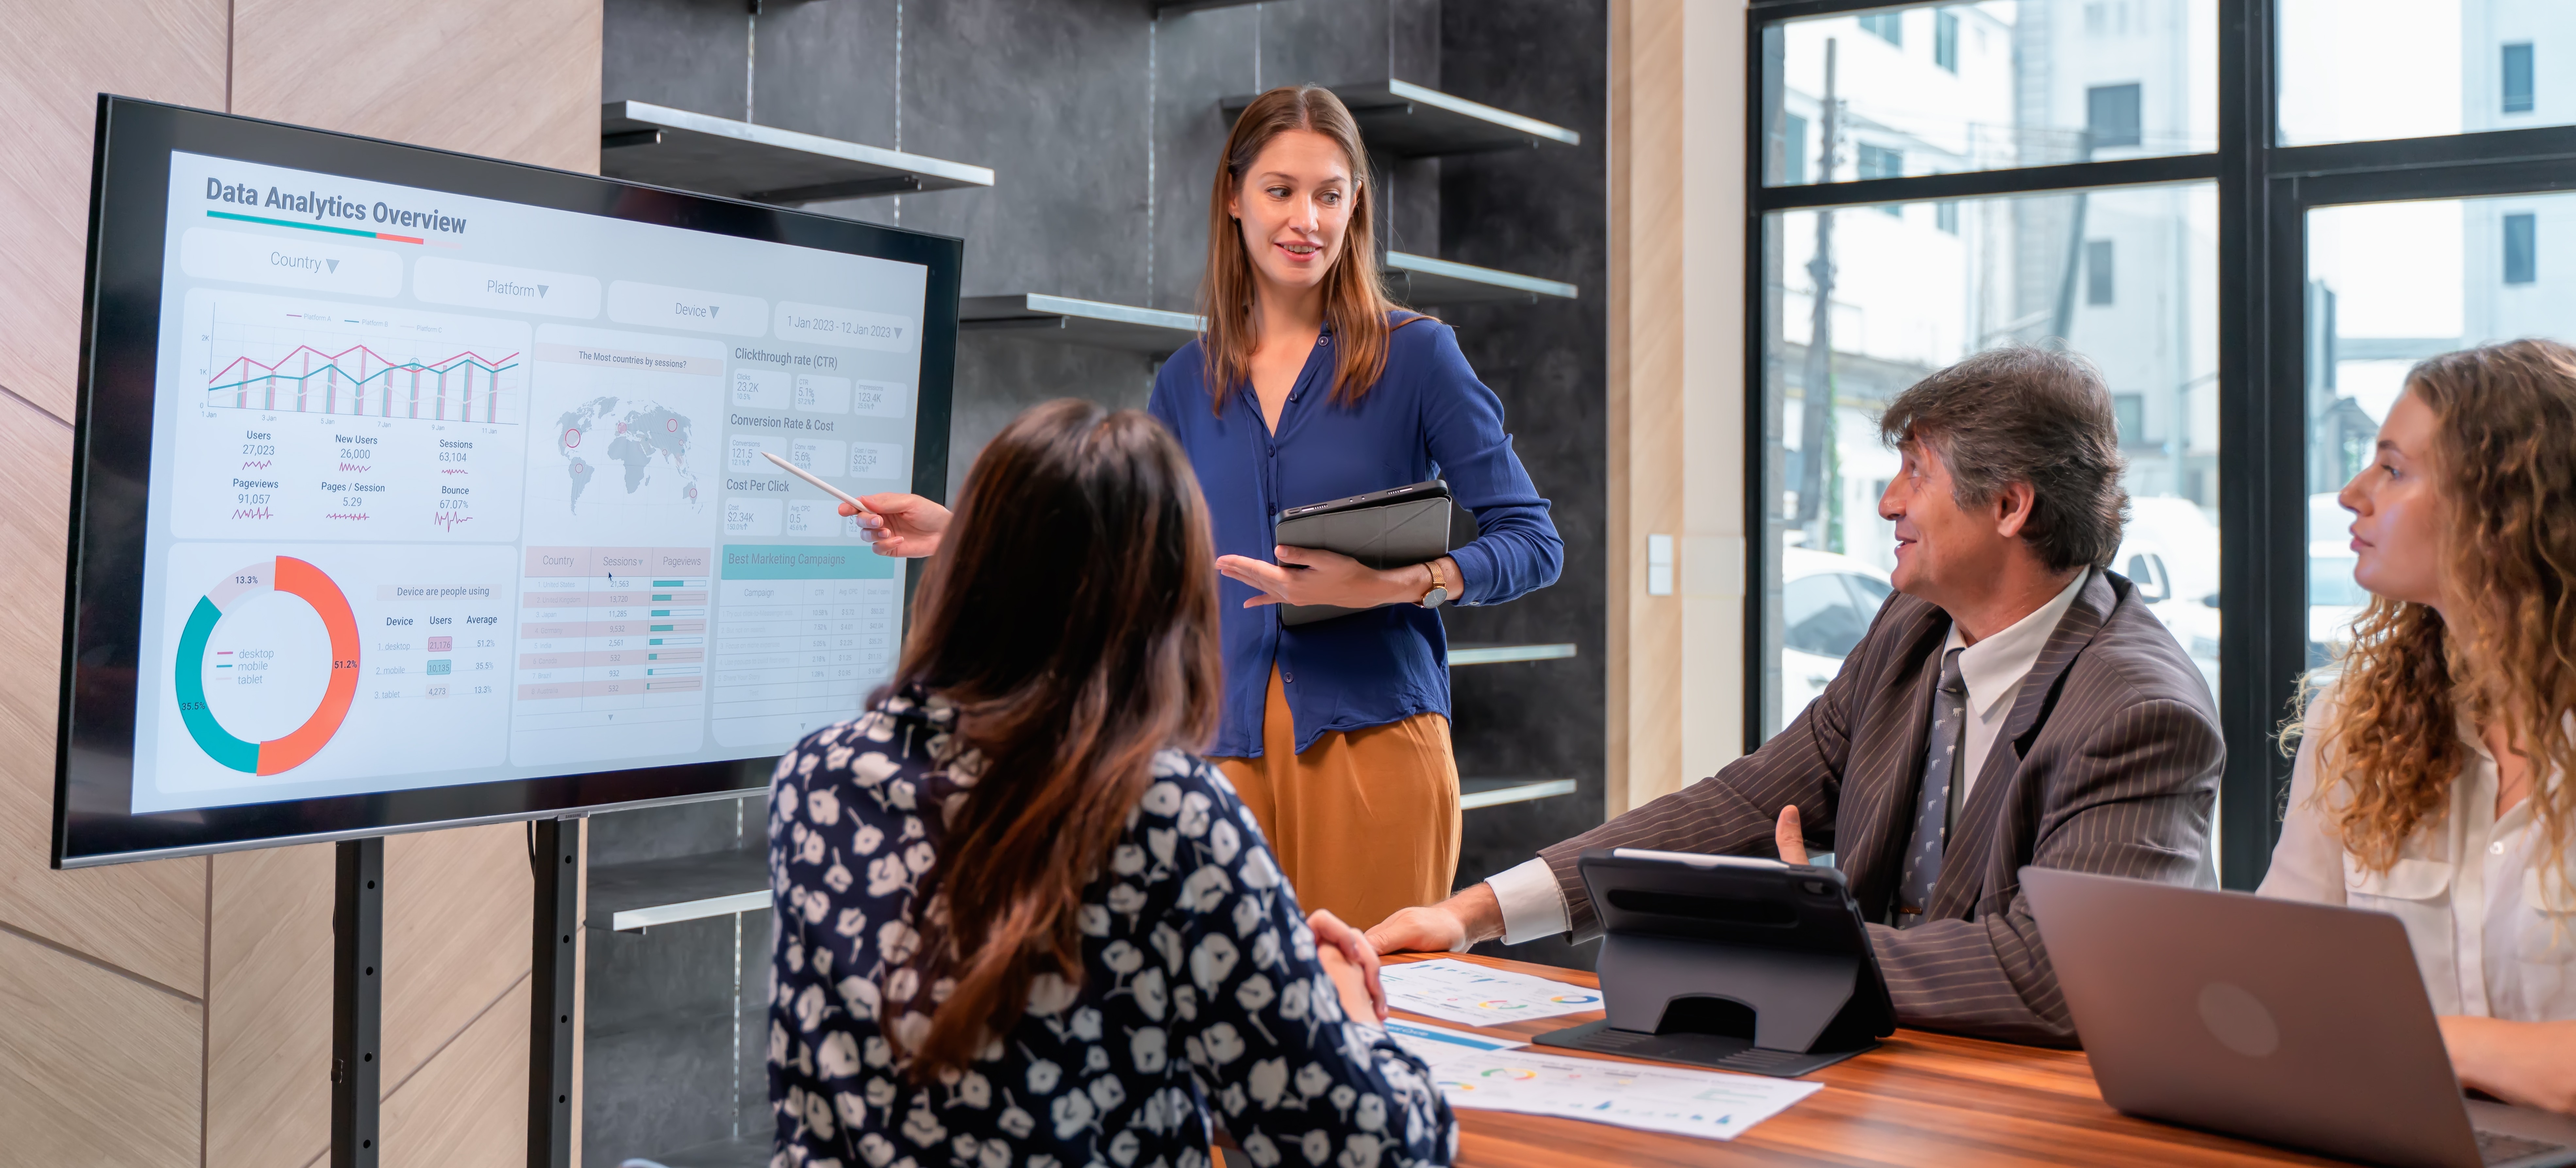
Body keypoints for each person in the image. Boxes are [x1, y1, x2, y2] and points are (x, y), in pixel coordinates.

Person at [838, 84, 1564, 931]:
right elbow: (1124, 544)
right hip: (1215, 744)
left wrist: (1399, 584)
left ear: (1356, 204)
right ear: (1234, 196)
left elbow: (1531, 540)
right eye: (1280, 190)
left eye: (1330, 194)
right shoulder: (1188, 378)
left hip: (1376, 746)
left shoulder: (1417, 355)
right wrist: (964, 529)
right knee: (1220, 1030)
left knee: (1373, 1015)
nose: (1307, 219)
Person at [1369, 346, 2224, 1047]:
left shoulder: (2140, 710)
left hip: (2038, 1111)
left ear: (2009, 505)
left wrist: (1786, 945)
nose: (1889, 501)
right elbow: (1743, 800)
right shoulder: (1912, 628)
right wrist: (1472, 912)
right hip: (1882, 1075)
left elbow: (2052, 972)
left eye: (1914, 473)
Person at [770, 399, 1457, 1167]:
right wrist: (1342, 1007)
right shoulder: (1167, 812)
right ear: (1167, 602)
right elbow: (1366, 1146)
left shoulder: (815, 778)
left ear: (965, 570)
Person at [2259, 339, 2576, 1115]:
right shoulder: (2355, 716)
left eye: (2391, 469)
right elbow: (2274, 966)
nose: (2348, 493)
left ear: (2501, 510)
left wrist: (2434, 1039)